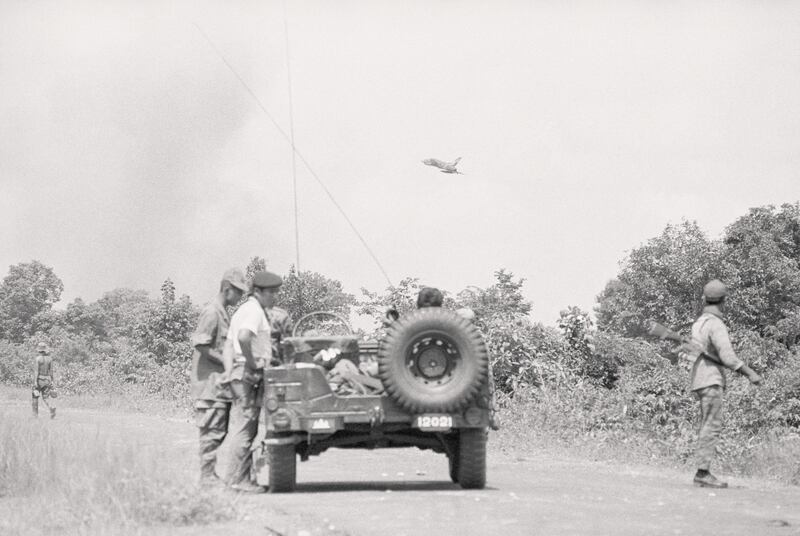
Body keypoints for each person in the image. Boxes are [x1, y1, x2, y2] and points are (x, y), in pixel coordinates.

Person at [686, 279, 762, 488]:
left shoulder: (699, 323)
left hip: (699, 378)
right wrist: (750, 373)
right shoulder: (716, 324)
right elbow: (728, 357)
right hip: (711, 379)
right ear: (724, 301)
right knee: (711, 425)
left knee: (706, 424)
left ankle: (702, 471)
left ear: (704, 298)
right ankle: (703, 473)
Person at [223, 270, 282, 493]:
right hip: (249, 373)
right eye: (271, 293)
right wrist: (252, 363)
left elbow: (229, 344)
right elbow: (243, 338)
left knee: (245, 426)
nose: (274, 297)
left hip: (240, 372)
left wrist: (231, 371)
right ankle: (236, 481)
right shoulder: (254, 312)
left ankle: (240, 479)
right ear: (258, 292)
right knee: (245, 428)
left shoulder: (242, 310)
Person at [190, 268, 248, 486]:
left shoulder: (223, 313)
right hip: (208, 386)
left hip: (218, 386)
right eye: (238, 292)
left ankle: (209, 476)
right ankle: (206, 478)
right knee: (211, 433)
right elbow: (202, 345)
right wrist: (227, 363)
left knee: (219, 431)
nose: (241, 297)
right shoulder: (212, 312)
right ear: (226, 288)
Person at [32, 342, 56, 419]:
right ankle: (51, 407)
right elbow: (51, 371)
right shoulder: (50, 359)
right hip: (47, 380)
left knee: (35, 397)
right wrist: (52, 381)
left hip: (39, 380)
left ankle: (35, 416)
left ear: (39, 350)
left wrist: (35, 381)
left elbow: (36, 371)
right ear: (45, 350)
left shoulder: (38, 359)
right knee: (46, 397)